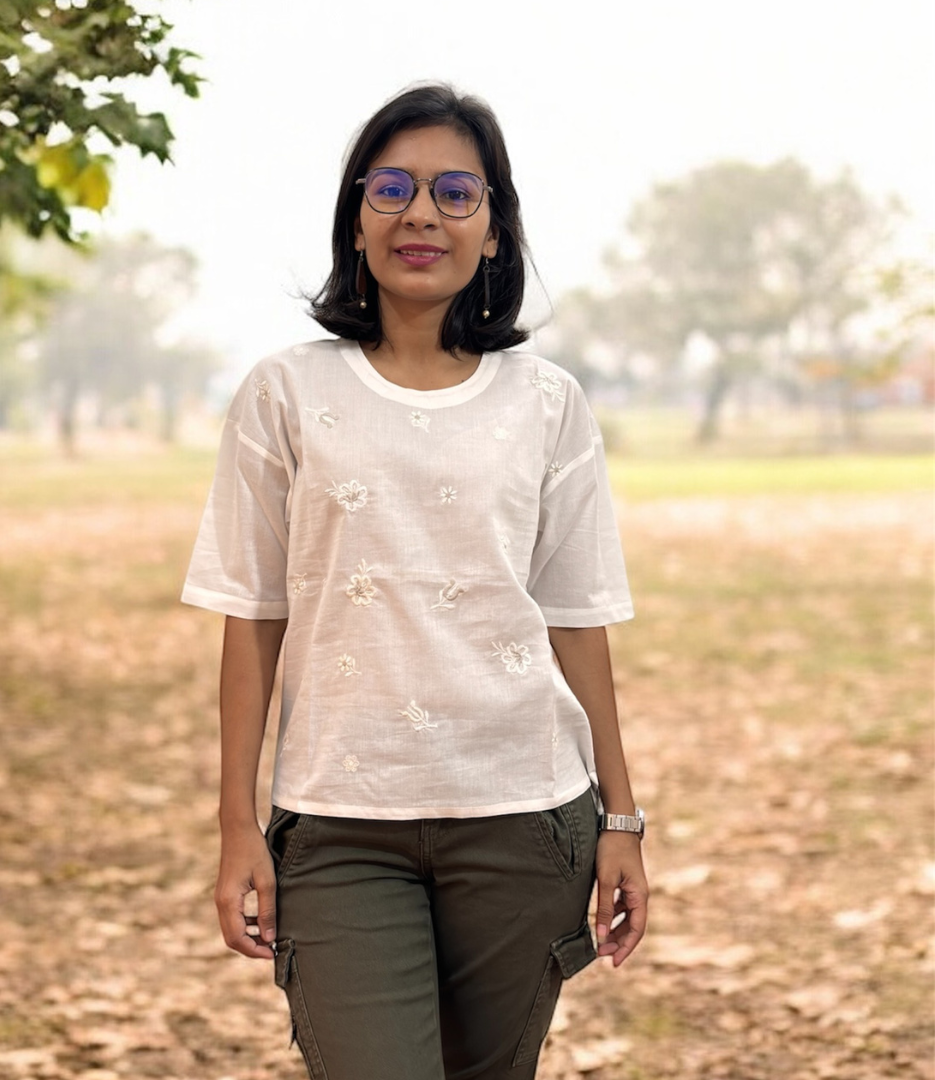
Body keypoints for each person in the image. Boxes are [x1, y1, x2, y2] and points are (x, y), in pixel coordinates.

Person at [182, 82, 649, 1080]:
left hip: (524, 821)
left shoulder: (547, 402)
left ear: (495, 231)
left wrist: (621, 818)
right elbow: (252, 618)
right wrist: (236, 829)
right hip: (340, 823)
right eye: (391, 187)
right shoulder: (286, 392)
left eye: (454, 193)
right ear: (356, 219)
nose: (421, 214)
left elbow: (575, 619)